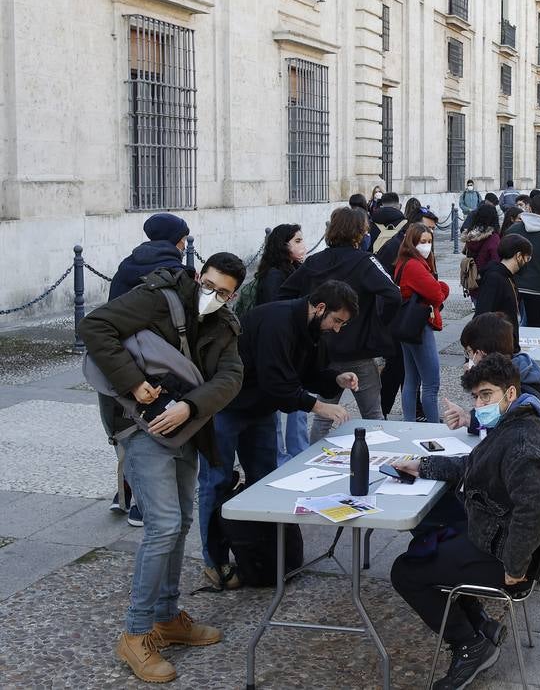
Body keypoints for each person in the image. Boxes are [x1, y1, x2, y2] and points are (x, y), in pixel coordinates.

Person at [79, 252, 246, 684]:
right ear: (198, 276)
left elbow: (231, 377)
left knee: (183, 519)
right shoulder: (159, 298)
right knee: (164, 524)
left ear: (234, 296)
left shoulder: (225, 323)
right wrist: (133, 382)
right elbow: (95, 326)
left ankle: (167, 617)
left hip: (185, 428)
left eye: (224, 293)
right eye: (209, 286)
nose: (213, 296)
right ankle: (136, 633)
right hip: (138, 425)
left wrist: (190, 406)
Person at [390, 355, 540, 690]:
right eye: (475, 397)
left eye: (486, 395)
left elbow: (534, 510)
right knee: (424, 541)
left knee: (405, 571)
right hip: (497, 532)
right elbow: (474, 465)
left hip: (507, 554)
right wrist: (423, 465)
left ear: (510, 393)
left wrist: (515, 569)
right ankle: (480, 626)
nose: (479, 403)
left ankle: (469, 645)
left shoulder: (521, 443)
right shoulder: (516, 424)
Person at [198, 281, 358, 589]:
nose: (337, 329)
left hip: (260, 409)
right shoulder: (277, 321)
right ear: (320, 308)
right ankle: (213, 561)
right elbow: (278, 383)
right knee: (215, 483)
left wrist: (336, 378)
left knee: (265, 480)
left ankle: (266, 555)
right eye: (336, 321)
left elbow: (307, 373)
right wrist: (319, 407)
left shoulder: (312, 329)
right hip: (226, 407)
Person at [278, 206, 401, 441]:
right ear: (358, 234)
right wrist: (377, 323)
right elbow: (394, 294)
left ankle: (310, 464)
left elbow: (285, 294)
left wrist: (308, 325)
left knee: (323, 415)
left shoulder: (314, 261)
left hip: (324, 350)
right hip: (359, 349)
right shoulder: (366, 261)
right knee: (372, 415)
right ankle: (379, 459)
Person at [105, 212, 191, 524]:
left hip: (122, 360)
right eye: (182, 236)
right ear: (174, 239)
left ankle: (125, 493)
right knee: (156, 428)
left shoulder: (127, 266)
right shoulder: (175, 270)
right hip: (158, 361)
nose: (185, 242)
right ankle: (142, 504)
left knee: (127, 429)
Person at [442, 312, 540, 449]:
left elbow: (509, 434)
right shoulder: (520, 370)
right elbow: (500, 425)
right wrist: (467, 419)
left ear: (481, 353)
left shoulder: (522, 390)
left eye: (469, 352)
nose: (469, 359)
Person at [254, 223, 310, 463]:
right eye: (296, 241)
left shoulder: (295, 269)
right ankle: (279, 456)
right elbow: (275, 312)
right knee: (277, 401)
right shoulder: (275, 275)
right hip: (278, 346)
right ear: (282, 245)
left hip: (295, 344)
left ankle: (298, 450)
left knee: (298, 399)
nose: (302, 245)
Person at [394, 224, 450, 423]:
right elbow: (437, 294)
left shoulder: (404, 261)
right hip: (419, 325)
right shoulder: (415, 265)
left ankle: (410, 423)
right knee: (431, 383)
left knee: (412, 380)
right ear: (412, 242)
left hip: (407, 324)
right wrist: (443, 287)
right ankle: (433, 427)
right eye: (422, 242)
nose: (426, 246)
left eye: (429, 241)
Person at [474, 233, 533, 351]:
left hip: (506, 343)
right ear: (518, 256)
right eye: (527, 258)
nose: (527, 262)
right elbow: (482, 314)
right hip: (497, 346)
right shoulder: (495, 278)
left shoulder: (508, 276)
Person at [506, 195, 540, 327]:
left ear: (529, 207)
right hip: (537, 286)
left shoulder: (513, 229)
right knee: (535, 324)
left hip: (513, 283)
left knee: (509, 322)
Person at [461, 203, 502, 298]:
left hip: (474, 281)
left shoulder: (471, 235)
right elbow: (496, 261)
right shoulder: (493, 238)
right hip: (487, 284)